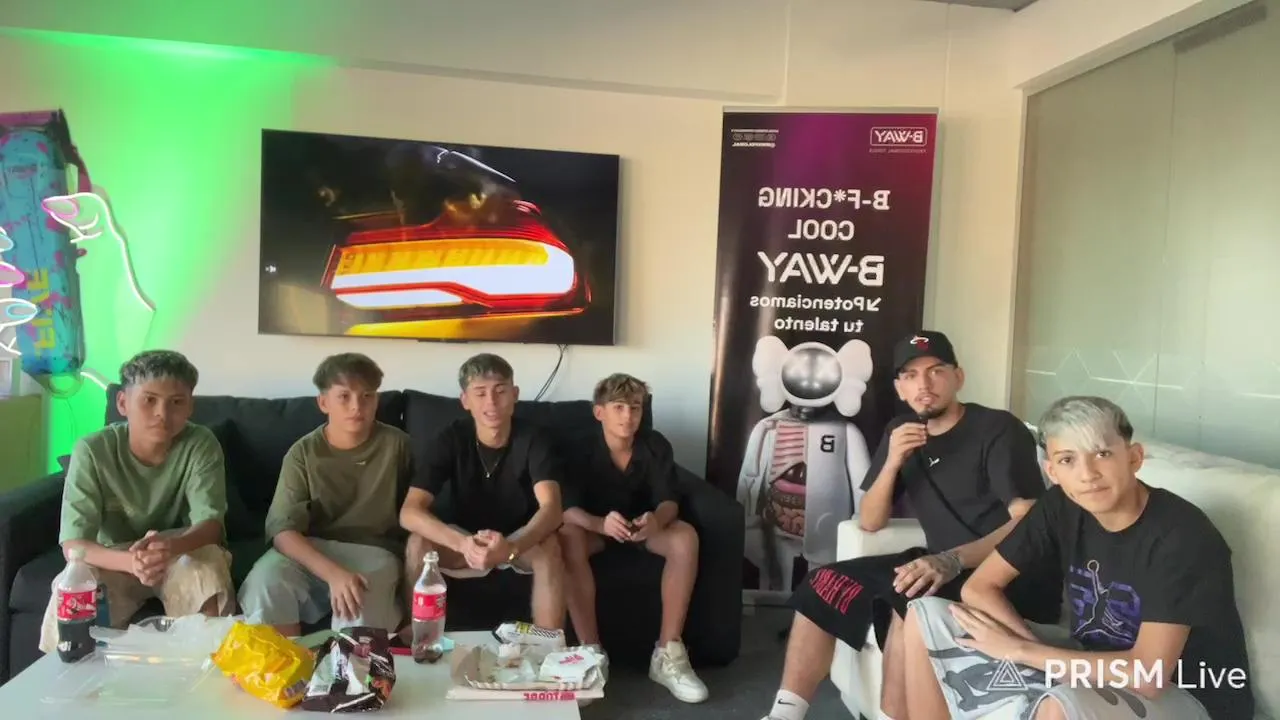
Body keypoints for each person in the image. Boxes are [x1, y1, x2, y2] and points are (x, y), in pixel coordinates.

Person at [761, 331, 1061, 720]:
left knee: (906, 603)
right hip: (937, 563)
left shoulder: (997, 429)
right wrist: (892, 462)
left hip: (1004, 573)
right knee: (822, 581)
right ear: (899, 388)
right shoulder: (900, 431)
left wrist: (953, 559)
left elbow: (1028, 520)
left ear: (958, 377)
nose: (925, 384)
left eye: (936, 371)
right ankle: (785, 713)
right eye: (911, 375)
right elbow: (870, 521)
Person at [901, 396, 1254, 720]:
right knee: (927, 616)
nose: (1087, 475)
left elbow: (1148, 676)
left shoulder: (1182, 535)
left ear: (1134, 458)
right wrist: (1037, 653)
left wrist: (1023, 652)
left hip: (1188, 692)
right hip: (1090, 658)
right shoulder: (1061, 505)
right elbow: (979, 588)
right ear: (1052, 472)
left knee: (1060, 705)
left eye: (1102, 454)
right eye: (1068, 460)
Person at [38, 350, 234, 654]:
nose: (162, 413)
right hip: (114, 556)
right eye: (149, 400)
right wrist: (132, 563)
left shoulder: (201, 444)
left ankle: (206, 662)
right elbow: (74, 544)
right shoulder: (92, 450)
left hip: (178, 549)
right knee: (74, 583)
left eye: (176, 402)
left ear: (190, 407)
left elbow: (210, 525)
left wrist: (170, 547)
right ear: (122, 403)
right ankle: (67, 667)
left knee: (207, 567)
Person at [559, 373, 709, 703]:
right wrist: (599, 524)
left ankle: (667, 653)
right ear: (599, 412)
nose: (628, 417)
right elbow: (564, 508)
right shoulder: (577, 448)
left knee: (685, 537)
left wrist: (656, 520)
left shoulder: (655, 445)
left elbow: (669, 500)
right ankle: (590, 652)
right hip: (594, 530)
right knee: (566, 537)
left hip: (643, 529)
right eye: (619, 407)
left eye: (635, 408)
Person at [239, 353, 411, 636]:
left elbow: (422, 509)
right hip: (312, 549)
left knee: (358, 598)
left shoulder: (399, 446)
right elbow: (282, 530)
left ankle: (352, 665)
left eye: (367, 396)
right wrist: (334, 574)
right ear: (323, 402)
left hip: (376, 551)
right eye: (344, 396)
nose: (356, 407)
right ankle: (282, 662)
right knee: (265, 581)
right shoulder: (303, 453)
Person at [399, 353, 566, 629]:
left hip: (518, 539)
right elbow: (409, 512)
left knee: (550, 546)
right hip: (465, 539)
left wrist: (511, 548)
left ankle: (549, 646)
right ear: (465, 400)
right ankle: (417, 637)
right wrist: (462, 544)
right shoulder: (450, 438)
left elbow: (552, 508)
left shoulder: (535, 438)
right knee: (418, 544)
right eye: (480, 393)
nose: (491, 402)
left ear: (515, 394)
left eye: (500, 391)